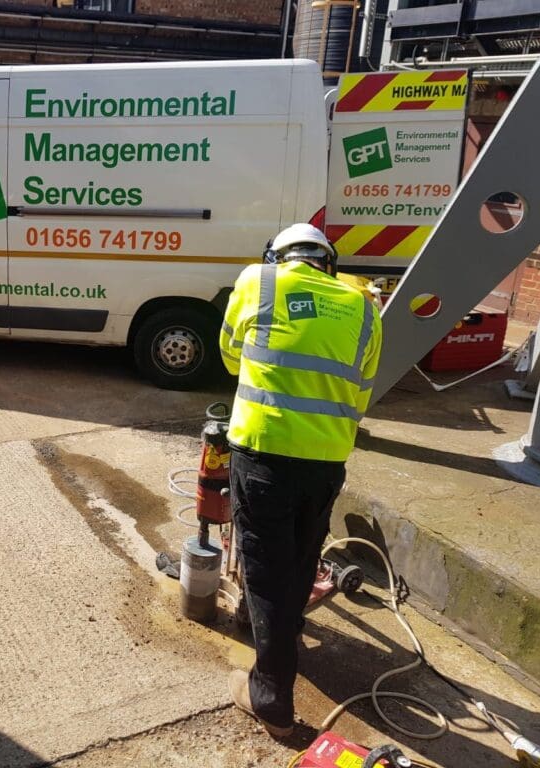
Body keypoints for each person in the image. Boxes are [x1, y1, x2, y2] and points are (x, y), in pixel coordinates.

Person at [218, 223, 382, 737]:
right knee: (301, 558)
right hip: (326, 461)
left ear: (278, 256)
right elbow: (362, 392)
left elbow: (230, 357)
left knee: (265, 569)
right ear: (328, 262)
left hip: (265, 451)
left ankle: (271, 696)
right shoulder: (364, 307)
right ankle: (283, 634)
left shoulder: (259, 281)